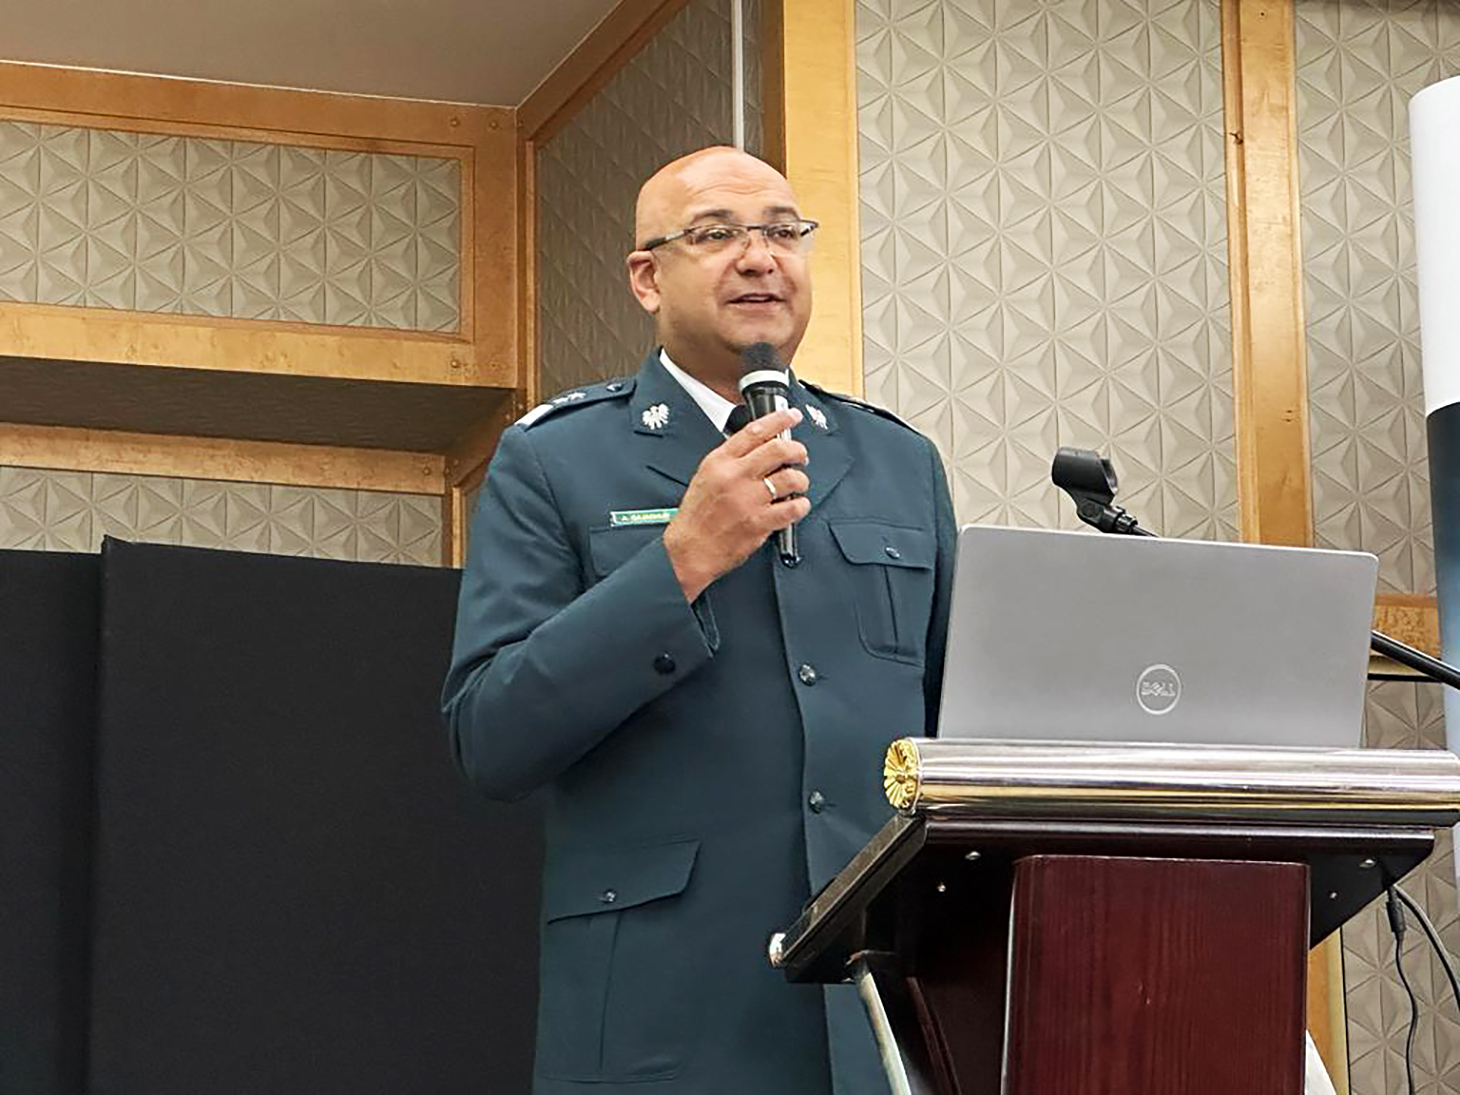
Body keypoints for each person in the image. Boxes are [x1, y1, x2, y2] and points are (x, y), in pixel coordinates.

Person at [442, 146, 955, 1095]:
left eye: (782, 232)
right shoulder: (556, 459)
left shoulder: (897, 461)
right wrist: (682, 559)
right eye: (718, 234)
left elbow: (957, 720)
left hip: (880, 1011)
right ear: (647, 278)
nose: (759, 257)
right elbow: (492, 734)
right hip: (664, 1009)